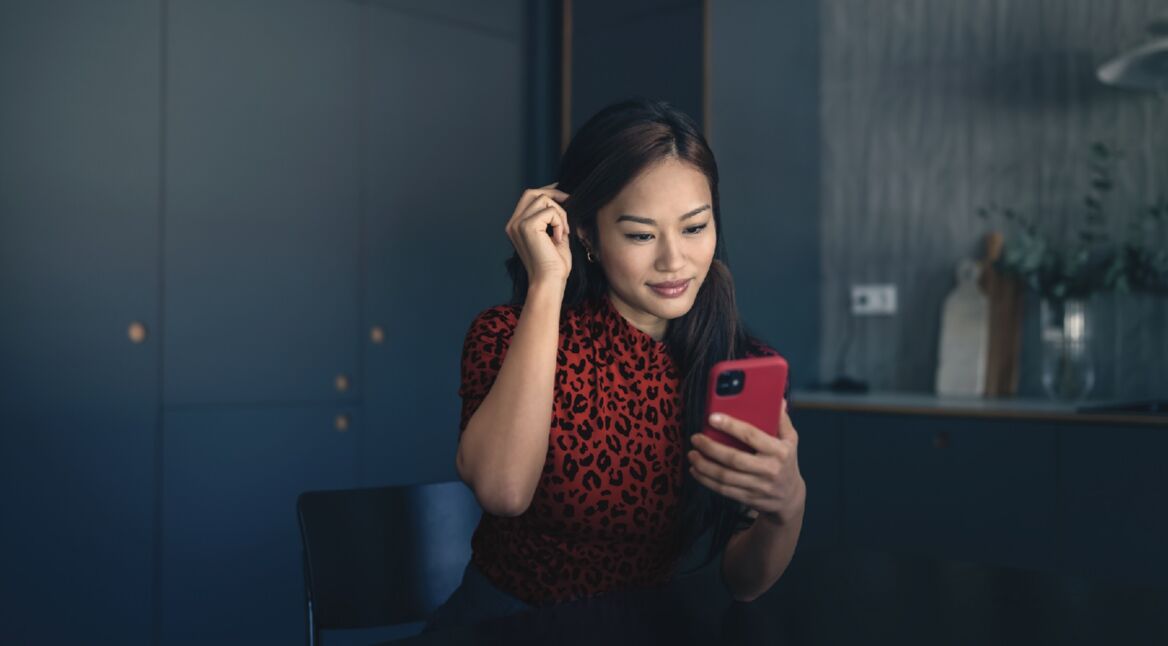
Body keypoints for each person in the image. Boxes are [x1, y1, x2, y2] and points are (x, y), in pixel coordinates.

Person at [422, 98, 806, 633]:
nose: (674, 261)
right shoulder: (508, 334)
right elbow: (503, 492)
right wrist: (547, 283)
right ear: (588, 235)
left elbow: (745, 583)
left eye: (695, 227)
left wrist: (787, 505)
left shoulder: (741, 364)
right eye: (641, 235)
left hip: (645, 628)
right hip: (508, 625)